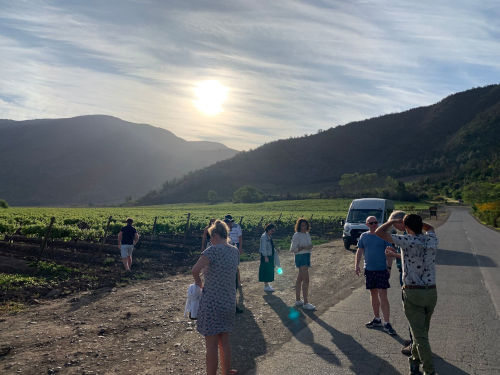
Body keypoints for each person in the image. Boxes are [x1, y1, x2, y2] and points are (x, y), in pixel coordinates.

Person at [375, 214, 438, 375]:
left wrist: (392, 222)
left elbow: (379, 232)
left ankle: (429, 371)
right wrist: (414, 223)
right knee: (421, 332)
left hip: (413, 292)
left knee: (420, 336)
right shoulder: (431, 239)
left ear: (406, 227)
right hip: (431, 292)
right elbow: (430, 228)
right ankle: (414, 363)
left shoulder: (407, 240)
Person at [192, 220, 240, 375]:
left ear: (215, 235)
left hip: (212, 302)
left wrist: (199, 283)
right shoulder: (234, 251)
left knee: (211, 345)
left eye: (210, 237)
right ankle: (226, 371)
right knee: (224, 342)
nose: (210, 240)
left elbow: (195, 270)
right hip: (229, 301)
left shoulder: (211, 251)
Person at [354, 216, 396, 335]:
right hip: (369, 270)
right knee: (373, 293)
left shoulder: (383, 235)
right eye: (371, 223)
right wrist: (356, 265)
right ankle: (377, 319)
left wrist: (389, 267)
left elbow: (389, 252)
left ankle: (387, 323)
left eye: (375, 222)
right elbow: (360, 250)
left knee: (383, 295)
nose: (374, 224)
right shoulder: (364, 236)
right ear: (367, 224)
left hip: (382, 269)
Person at [384, 210, 414, 355]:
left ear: (401, 222)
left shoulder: (409, 235)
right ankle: (413, 339)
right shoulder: (405, 235)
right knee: (409, 309)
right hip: (403, 272)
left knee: (411, 309)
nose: (394, 228)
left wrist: (393, 255)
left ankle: (415, 345)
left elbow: (409, 257)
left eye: (394, 224)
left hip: (408, 275)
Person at [290, 218, 315, 310]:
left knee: (300, 279)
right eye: (302, 225)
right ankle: (305, 302)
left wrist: (310, 247)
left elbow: (309, 246)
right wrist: (303, 247)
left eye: (305, 225)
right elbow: (293, 249)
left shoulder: (307, 234)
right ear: (299, 226)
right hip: (300, 257)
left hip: (307, 256)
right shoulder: (296, 235)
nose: (304, 227)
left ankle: (298, 300)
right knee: (306, 280)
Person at [224, 214, 244, 313]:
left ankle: (233, 306)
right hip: (227, 256)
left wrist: (239, 248)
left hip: (234, 250)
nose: (230, 224)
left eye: (231, 222)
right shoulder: (223, 232)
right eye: (229, 222)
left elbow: (240, 237)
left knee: (236, 268)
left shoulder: (236, 227)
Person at [259, 223, 277, 292]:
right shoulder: (264, 237)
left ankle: (267, 284)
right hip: (266, 256)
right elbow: (263, 248)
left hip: (269, 256)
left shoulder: (269, 236)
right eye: (272, 231)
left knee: (269, 270)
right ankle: (266, 286)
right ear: (268, 230)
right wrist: (265, 256)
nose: (273, 232)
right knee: (266, 271)